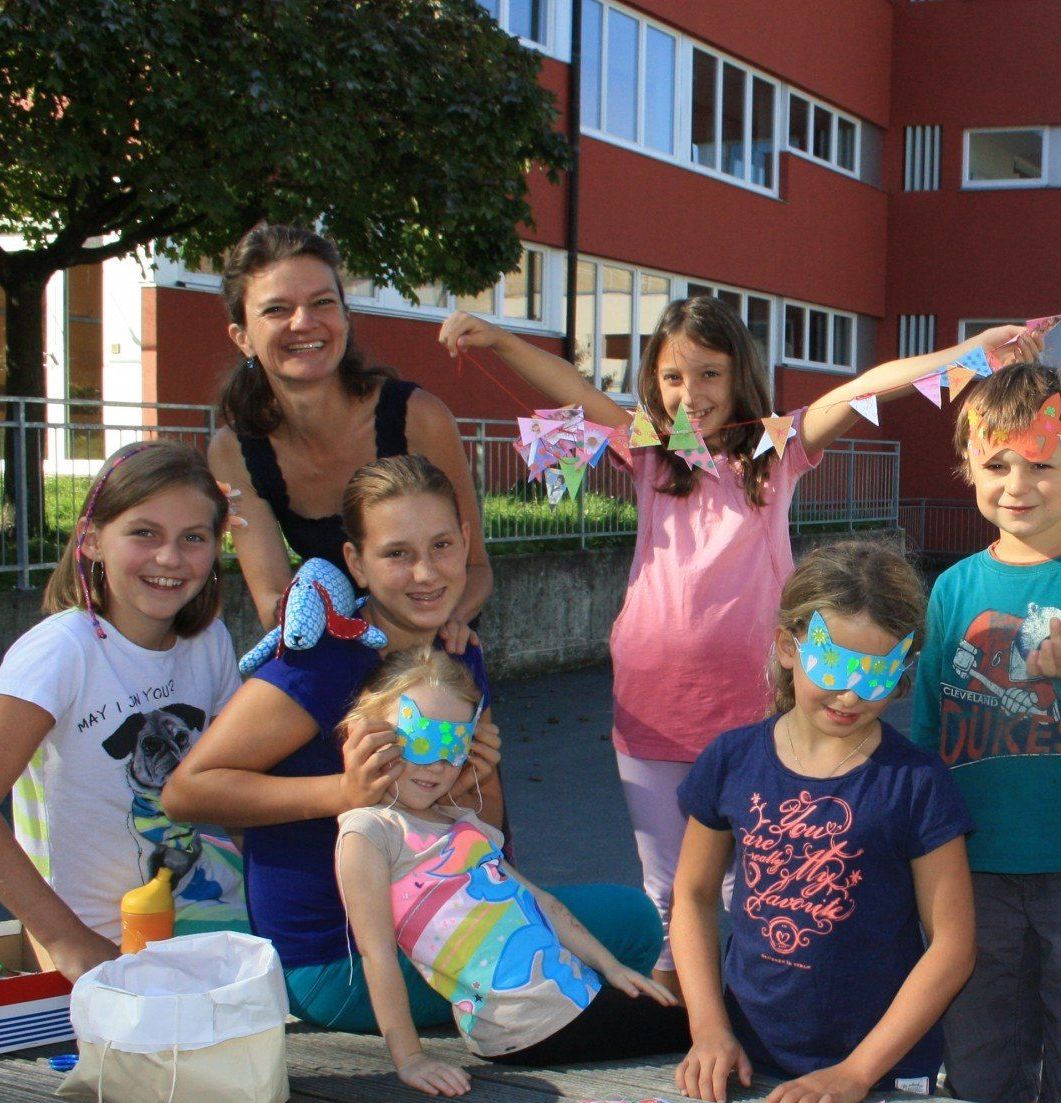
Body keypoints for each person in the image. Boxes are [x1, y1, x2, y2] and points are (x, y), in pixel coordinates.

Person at [439, 300, 1038, 988]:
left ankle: (766, 1002)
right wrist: (495, 339)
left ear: (739, 375)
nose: (690, 393)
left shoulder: (776, 453)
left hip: (753, 707)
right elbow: (570, 388)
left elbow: (865, 386)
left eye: (708, 373)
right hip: (651, 706)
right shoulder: (646, 450)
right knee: (665, 882)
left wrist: (974, 352)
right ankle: (679, 1012)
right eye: (672, 378)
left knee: (754, 881)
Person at [164, 456, 660, 1028]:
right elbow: (186, 793)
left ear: (466, 541)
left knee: (628, 922)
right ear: (357, 562)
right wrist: (345, 791)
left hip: (443, 913)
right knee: (624, 932)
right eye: (397, 554)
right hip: (338, 961)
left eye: (442, 546)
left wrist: (477, 774)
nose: (426, 573)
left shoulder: (458, 654)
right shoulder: (319, 665)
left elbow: (483, 830)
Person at [910, 362, 1061, 1103]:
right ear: (970, 466)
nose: (1019, 483)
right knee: (978, 1060)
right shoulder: (952, 589)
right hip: (971, 866)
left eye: (1042, 463)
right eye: (998, 463)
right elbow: (927, 725)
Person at [670, 540, 975, 1103]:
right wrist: (708, 1027)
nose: (852, 693)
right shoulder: (732, 760)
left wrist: (856, 1072)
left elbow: (953, 947)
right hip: (746, 1062)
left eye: (877, 673)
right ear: (789, 646)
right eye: (833, 666)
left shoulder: (917, 783)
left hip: (880, 1076)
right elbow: (691, 893)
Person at [334, 646, 685, 1095]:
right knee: (713, 1026)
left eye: (452, 747)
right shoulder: (368, 833)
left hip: (571, 998)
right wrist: (411, 1058)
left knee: (703, 1018)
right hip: (526, 1029)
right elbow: (376, 954)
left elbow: (544, 902)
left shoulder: (459, 823)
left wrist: (611, 968)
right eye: (418, 742)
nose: (437, 765)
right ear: (371, 735)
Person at [0, 442, 247, 980]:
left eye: (194, 538)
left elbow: (238, 783)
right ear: (91, 540)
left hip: (201, 906)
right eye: (144, 533)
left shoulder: (209, 641)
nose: (169, 558)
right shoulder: (61, 652)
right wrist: (66, 940)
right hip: (99, 936)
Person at [209, 222, 490, 650]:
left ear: (344, 317)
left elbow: (476, 570)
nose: (304, 322)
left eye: (322, 302)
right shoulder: (235, 450)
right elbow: (274, 604)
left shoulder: (418, 417)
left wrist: (436, 626)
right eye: (277, 309)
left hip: (434, 654)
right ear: (242, 337)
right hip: (328, 650)